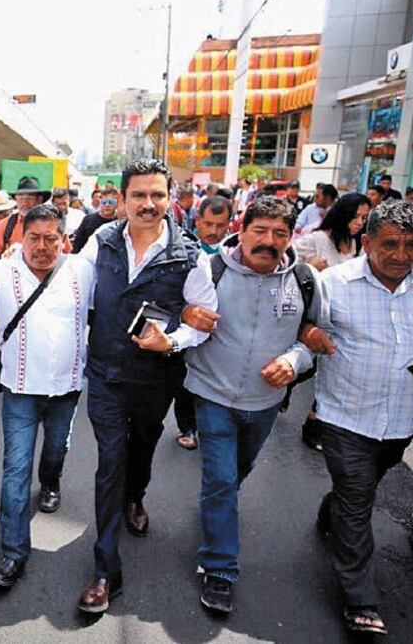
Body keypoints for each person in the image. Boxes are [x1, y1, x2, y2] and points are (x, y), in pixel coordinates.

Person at [76, 159, 217, 614]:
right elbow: (73, 292)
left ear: (169, 199)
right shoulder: (101, 242)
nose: (148, 204)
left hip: (157, 380)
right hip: (105, 377)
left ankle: (136, 496)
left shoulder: (190, 255)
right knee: (110, 463)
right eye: (138, 195)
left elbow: (205, 321)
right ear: (122, 199)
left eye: (157, 195)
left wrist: (171, 339)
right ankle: (105, 570)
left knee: (141, 450)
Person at [185, 196, 321, 613]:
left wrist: (294, 361)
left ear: (290, 237)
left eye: (279, 233)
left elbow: (315, 336)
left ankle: (217, 506)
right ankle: (220, 568)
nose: (269, 241)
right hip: (212, 393)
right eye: (259, 231)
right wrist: (188, 314)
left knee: (236, 471)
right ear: (241, 232)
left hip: (265, 403)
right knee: (221, 478)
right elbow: (180, 315)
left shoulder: (305, 279)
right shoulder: (209, 270)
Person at [313, 200, 413, 636]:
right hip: (345, 416)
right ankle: (360, 599)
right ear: (367, 242)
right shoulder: (333, 285)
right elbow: (303, 330)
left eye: (411, 245)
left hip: (402, 421)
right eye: (390, 244)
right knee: (358, 496)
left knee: (360, 487)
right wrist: (308, 337)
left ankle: (329, 513)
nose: (401, 255)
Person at [0, 205, 94, 589]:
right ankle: (14, 552)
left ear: (64, 240)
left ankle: (50, 482)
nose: (42, 247)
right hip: (19, 389)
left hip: (67, 387)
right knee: (16, 467)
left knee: (56, 449)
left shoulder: (83, 270)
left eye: (51, 238)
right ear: (22, 238)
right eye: (34, 238)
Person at [173, 195, 234, 450]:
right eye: (208, 224)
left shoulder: (234, 256)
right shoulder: (183, 251)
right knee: (186, 380)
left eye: (220, 225)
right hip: (189, 330)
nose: (213, 231)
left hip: (222, 332)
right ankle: (187, 427)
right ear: (197, 221)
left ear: (230, 225)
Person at [0, 177, 71, 257]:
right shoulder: (5, 225)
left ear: (40, 199)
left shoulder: (54, 224)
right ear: (15, 199)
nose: (25, 201)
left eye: (30, 196)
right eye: (20, 196)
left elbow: (66, 255)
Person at [294, 193, 370, 272]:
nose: (360, 222)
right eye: (355, 216)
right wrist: (309, 267)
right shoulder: (317, 239)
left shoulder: (358, 243)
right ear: (342, 215)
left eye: (364, 218)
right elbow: (288, 260)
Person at [70, 188, 118, 253]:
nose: (107, 205)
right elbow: (77, 244)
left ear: (117, 203)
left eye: (110, 202)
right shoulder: (88, 219)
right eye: (104, 202)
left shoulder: (120, 222)